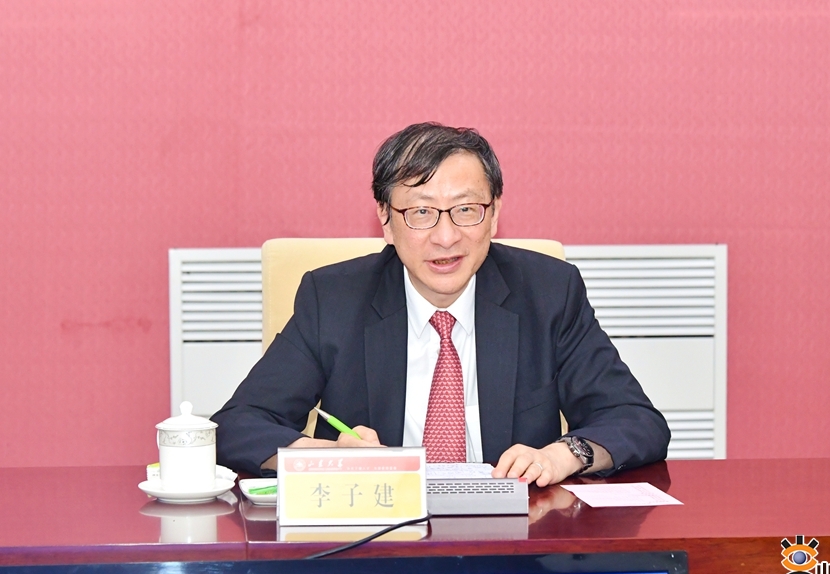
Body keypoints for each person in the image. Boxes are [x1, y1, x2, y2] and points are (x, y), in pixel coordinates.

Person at [212, 122, 670, 486]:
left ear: (494, 214)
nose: (446, 237)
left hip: (515, 540)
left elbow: (636, 421)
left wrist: (564, 454)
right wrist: (330, 457)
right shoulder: (333, 299)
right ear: (385, 219)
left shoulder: (549, 292)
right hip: (374, 540)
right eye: (421, 212)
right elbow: (237, 426)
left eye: (466, 209)